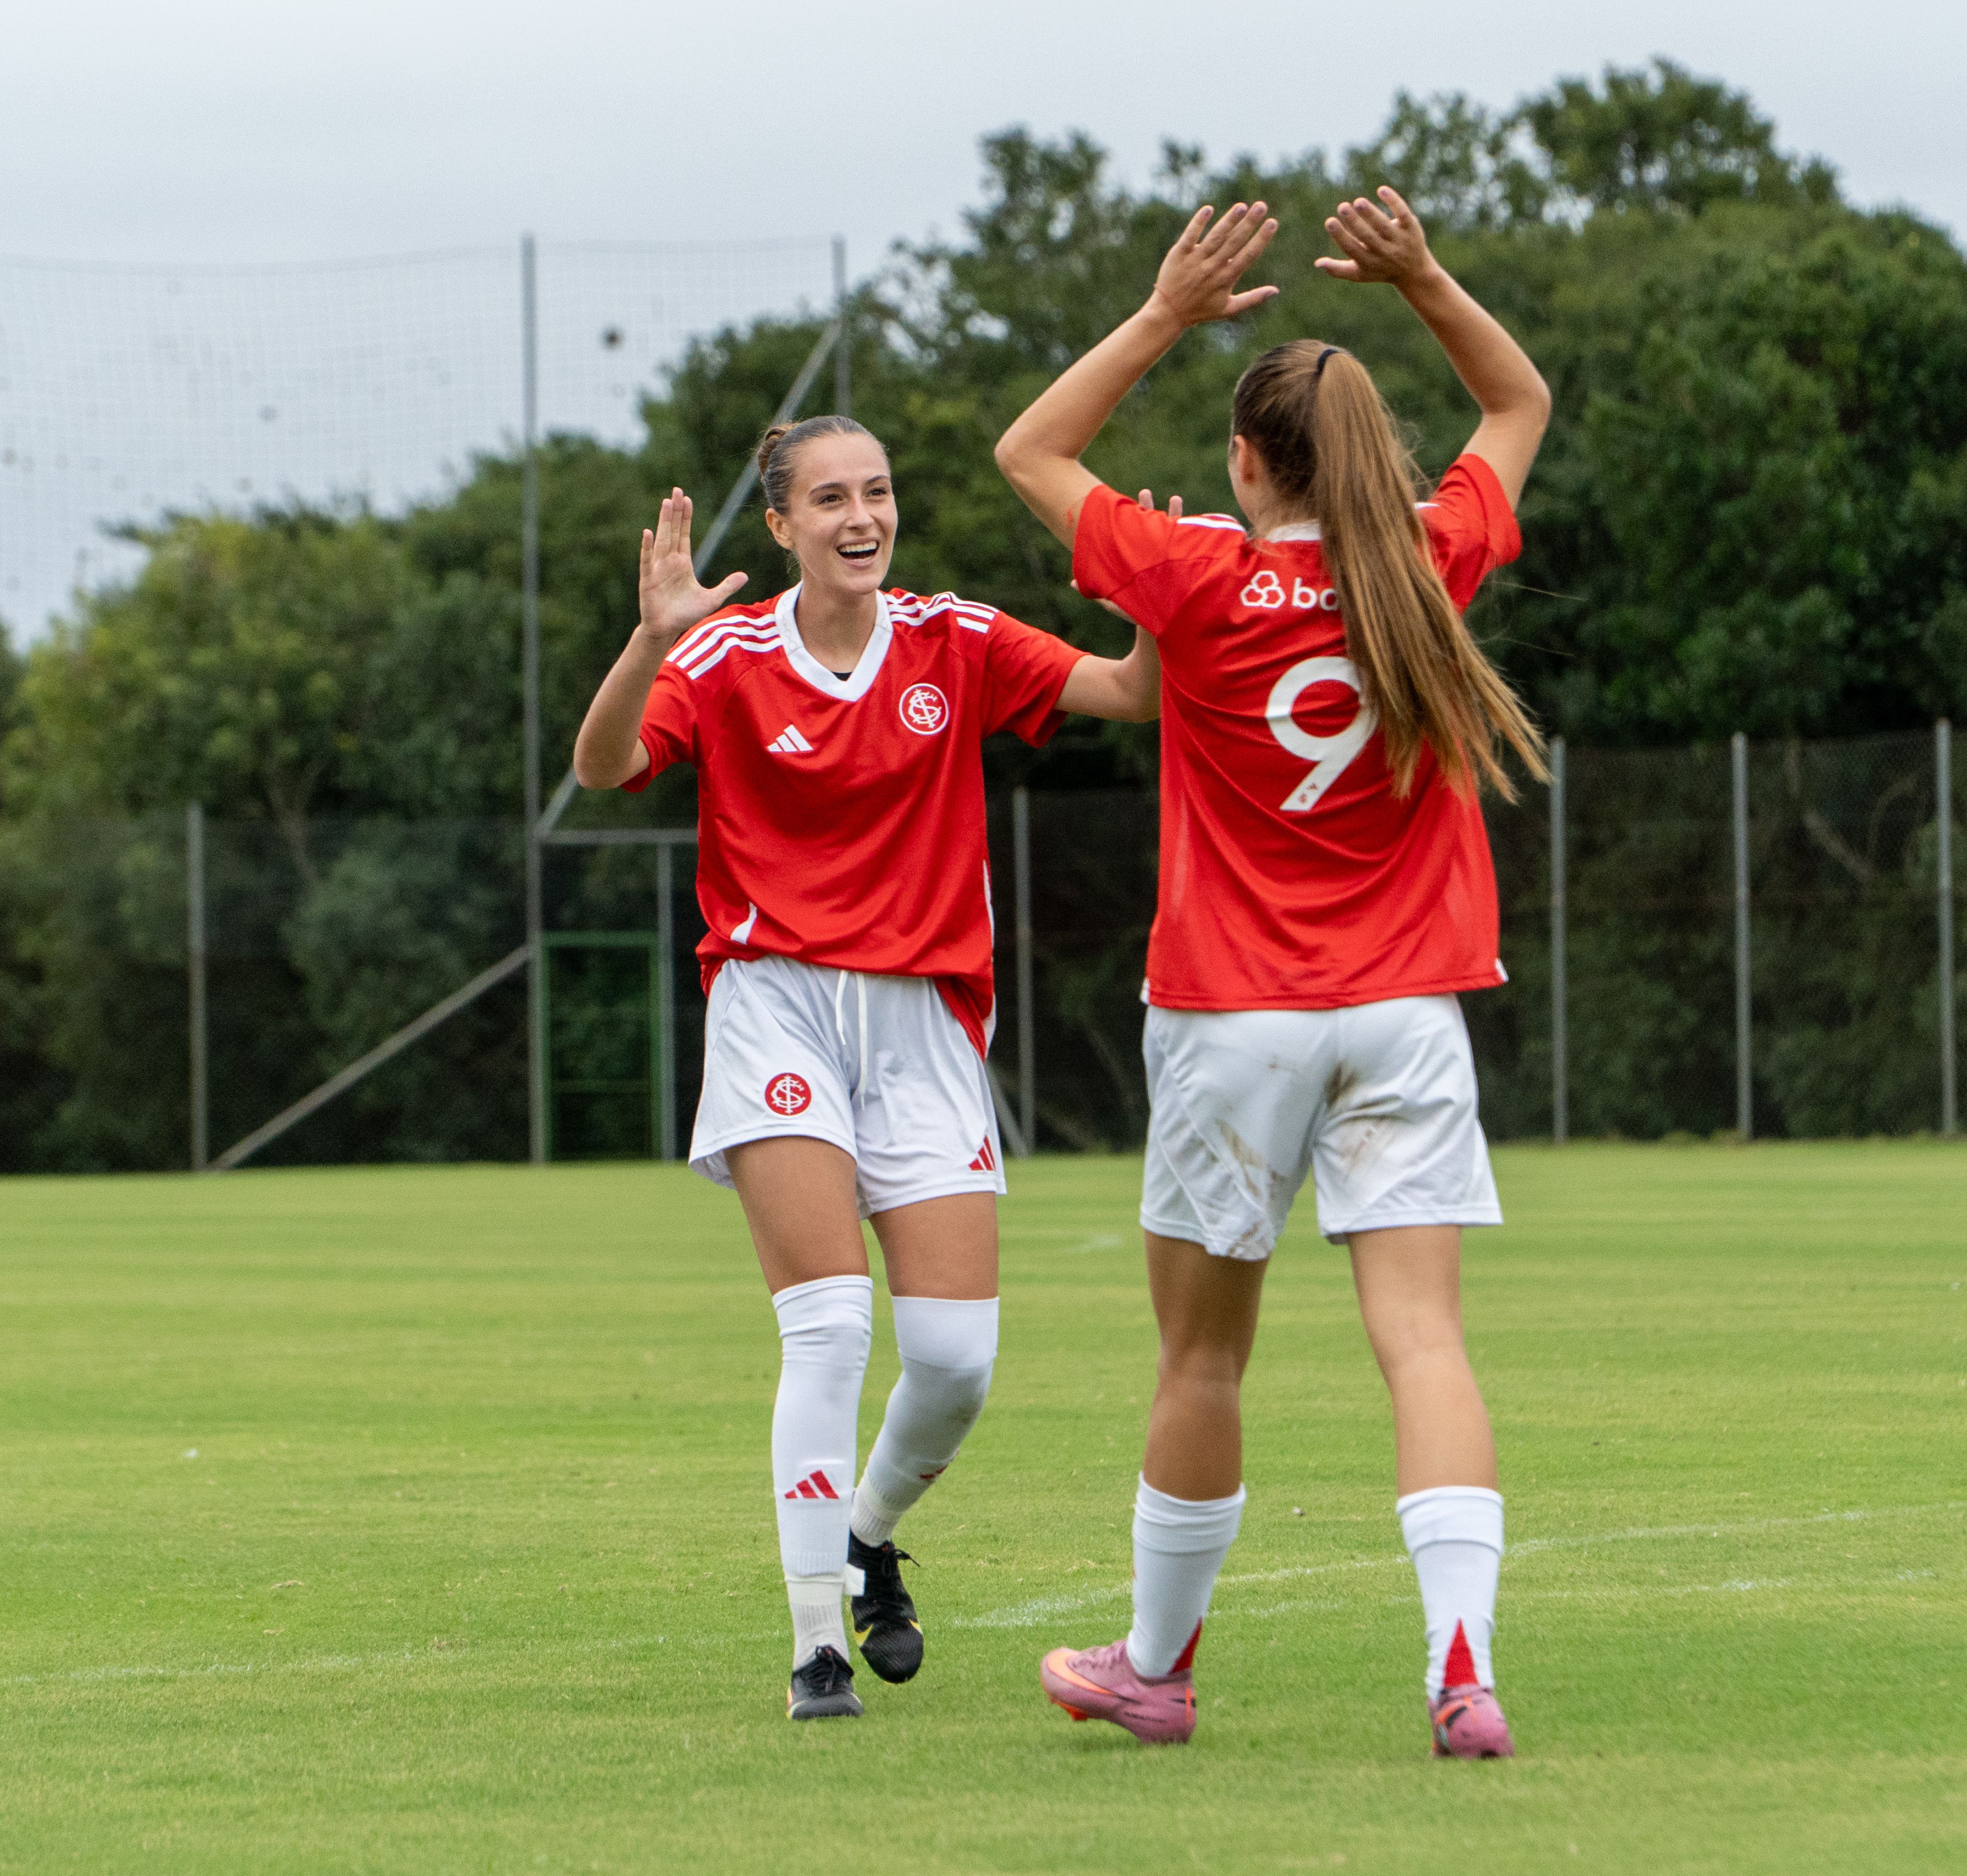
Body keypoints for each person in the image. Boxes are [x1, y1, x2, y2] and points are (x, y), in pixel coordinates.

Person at [991, 189, 1552, 1758]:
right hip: (1403, 1012)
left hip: (1233, 1018)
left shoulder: (1186, 575)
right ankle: (1460, 1667)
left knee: (1199, 1354)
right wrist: (1426, 276)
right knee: (1423, 1344)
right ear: (1368, 455)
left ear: (1245, 460)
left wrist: (1167, 311)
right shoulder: (1427, 561)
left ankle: (1156, 1670)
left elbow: (1026, 453)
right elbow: (1517, 401)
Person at [571, 416, 1159, 1721]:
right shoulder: (723, 656)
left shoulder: (957, 638)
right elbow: (603, 766)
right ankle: (814, 1646)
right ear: (779, 526)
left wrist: (1152, 594)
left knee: (953, 1359)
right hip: (774, 1004)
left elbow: (1138, 694)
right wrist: (650, 638)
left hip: (924, 1025)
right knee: (830, 1325)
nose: (862, 515)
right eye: (830, 497)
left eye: (879, 492)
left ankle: (868, 1531)